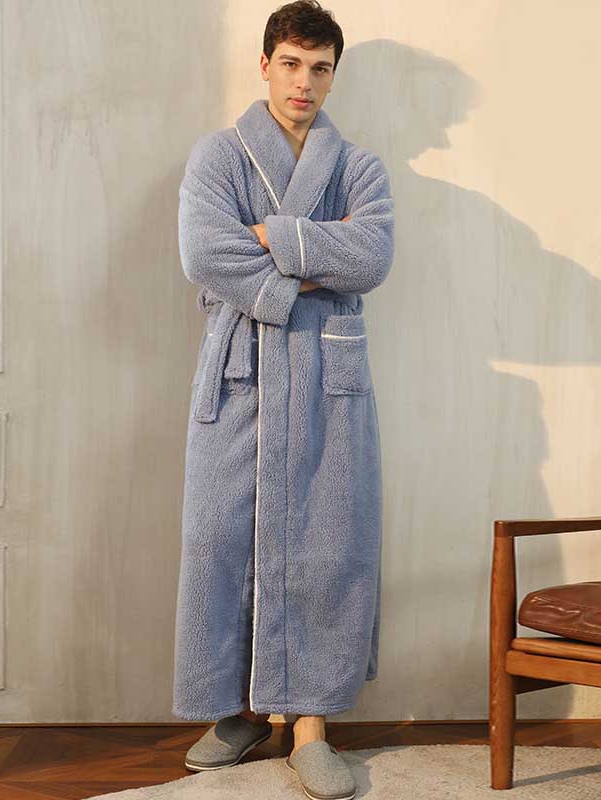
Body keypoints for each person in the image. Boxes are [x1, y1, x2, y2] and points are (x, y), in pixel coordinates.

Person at [172, 2, 395, 797]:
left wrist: (274, 236)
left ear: (334, 75)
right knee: (219, 541)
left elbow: (371, 257)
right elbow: (204, 251)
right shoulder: (218, 156)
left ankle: (309, 726)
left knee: (327, 544)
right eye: (292, 64)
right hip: (240, 376)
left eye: (320, 68)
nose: (304, 82)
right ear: (265, 65)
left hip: (329, 379)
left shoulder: (359, 168)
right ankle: (239, 711)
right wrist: (310, 264)